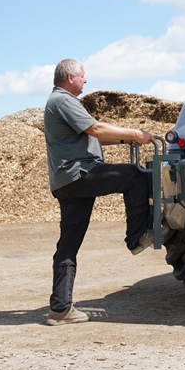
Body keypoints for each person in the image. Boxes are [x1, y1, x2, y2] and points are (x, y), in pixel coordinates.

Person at [44, 58, 157, 326]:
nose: (86, 80)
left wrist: (122, 138)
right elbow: (95, 128)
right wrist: (137, 133)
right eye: (83, 76)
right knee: (134, 175)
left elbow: (91, 135)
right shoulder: (63, 100)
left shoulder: (58, 102)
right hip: (79, 175)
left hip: (67, 182)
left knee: (68, 245)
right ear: (70, 77)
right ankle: (137, 236)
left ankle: (60, 309)